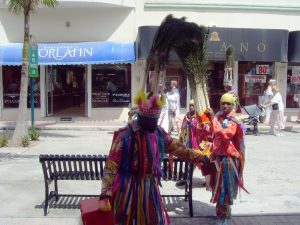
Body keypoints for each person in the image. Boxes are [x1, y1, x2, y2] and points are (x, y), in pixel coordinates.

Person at [98, 91, 208, 225]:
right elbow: (112, 164)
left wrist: (199, 157)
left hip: (149, 186)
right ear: (141, 118)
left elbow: (178, 148)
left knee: (153, 219)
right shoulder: (126, 135)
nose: (154, 124)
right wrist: (105, 193)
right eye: (151, 121)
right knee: (124, 220)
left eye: (156, 120)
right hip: (127, 187)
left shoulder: (159, 133)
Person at [204, 93, 248, 225]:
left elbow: (226, 134)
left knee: (226, 188)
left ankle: (225, 215)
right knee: (216, 186)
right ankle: (219, 213)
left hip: (229, 159)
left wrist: (213, 120)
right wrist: (206, 124)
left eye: (228, 103)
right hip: (217, 157)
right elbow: (213, 132)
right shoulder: (218, 116)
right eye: (223, 103)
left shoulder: (234, 120)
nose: (225, 106)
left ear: (233, 105)